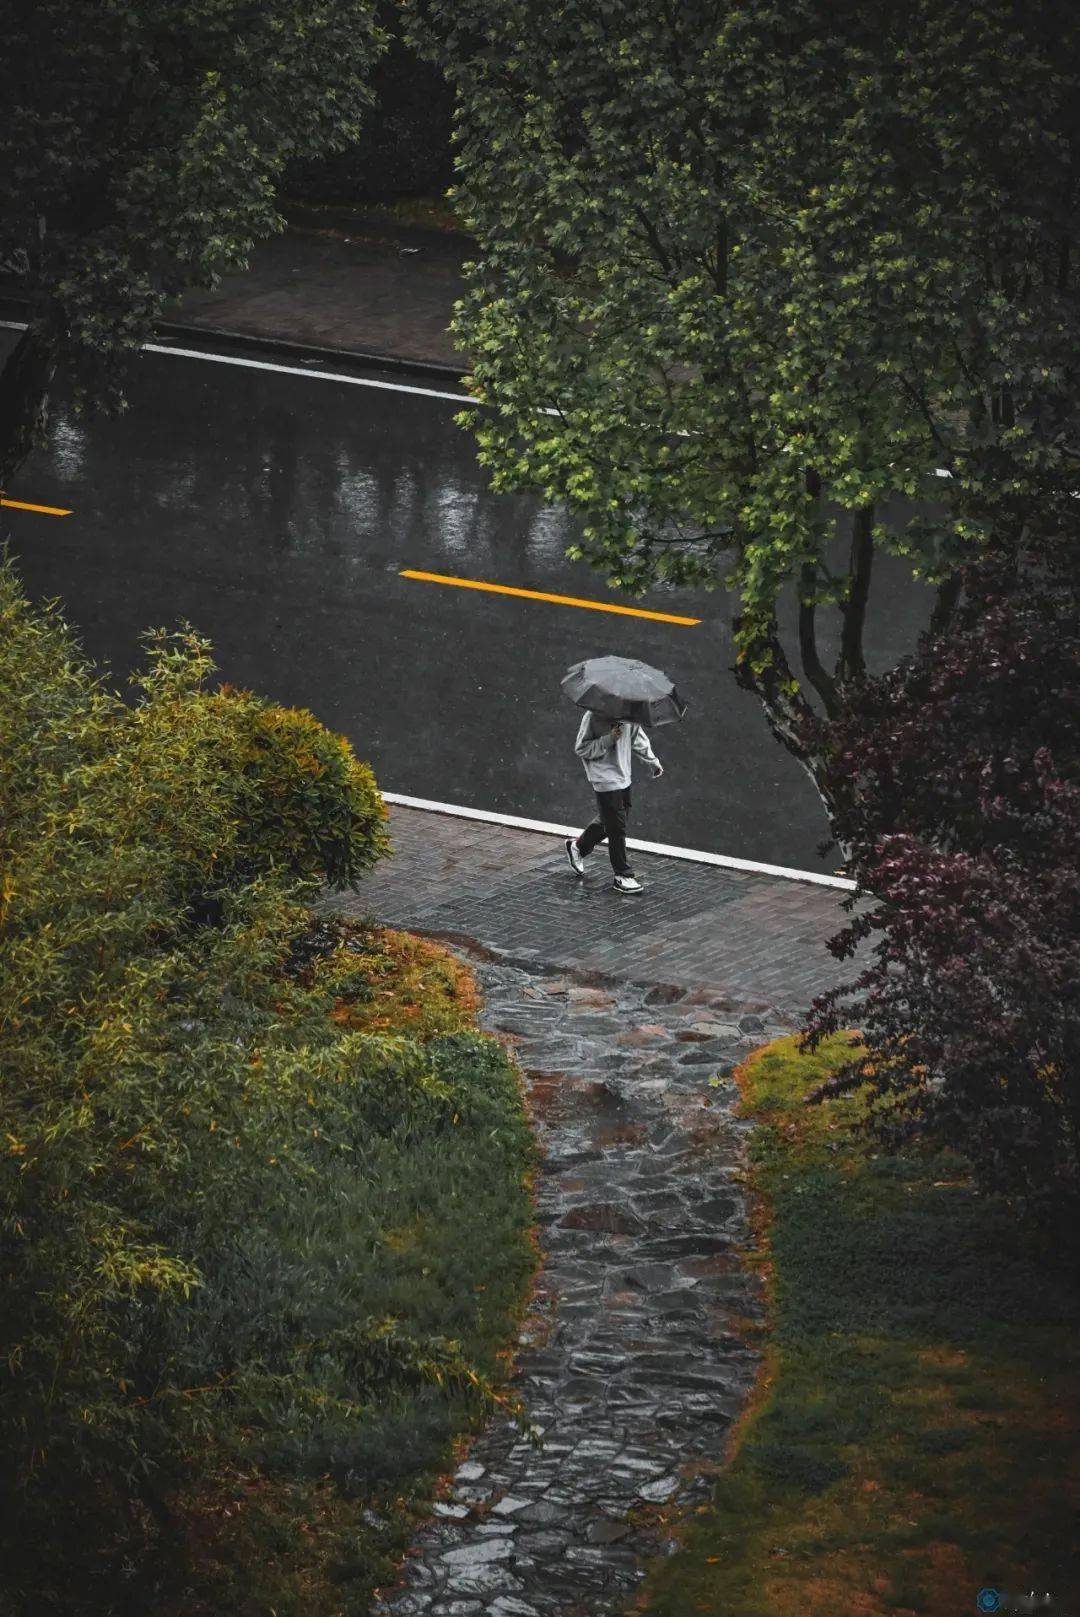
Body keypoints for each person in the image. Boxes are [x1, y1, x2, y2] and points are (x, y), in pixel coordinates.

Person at [566, 710, 663, 894]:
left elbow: (638, 738)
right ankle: (622, 875)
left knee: (614, 820)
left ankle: (578, 846)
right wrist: (608, 739)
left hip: (623, 775)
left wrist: (652, 761)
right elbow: (582, 748)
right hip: (603, 777)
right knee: (617, 827)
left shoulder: (630, 714)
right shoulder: (593, 716)